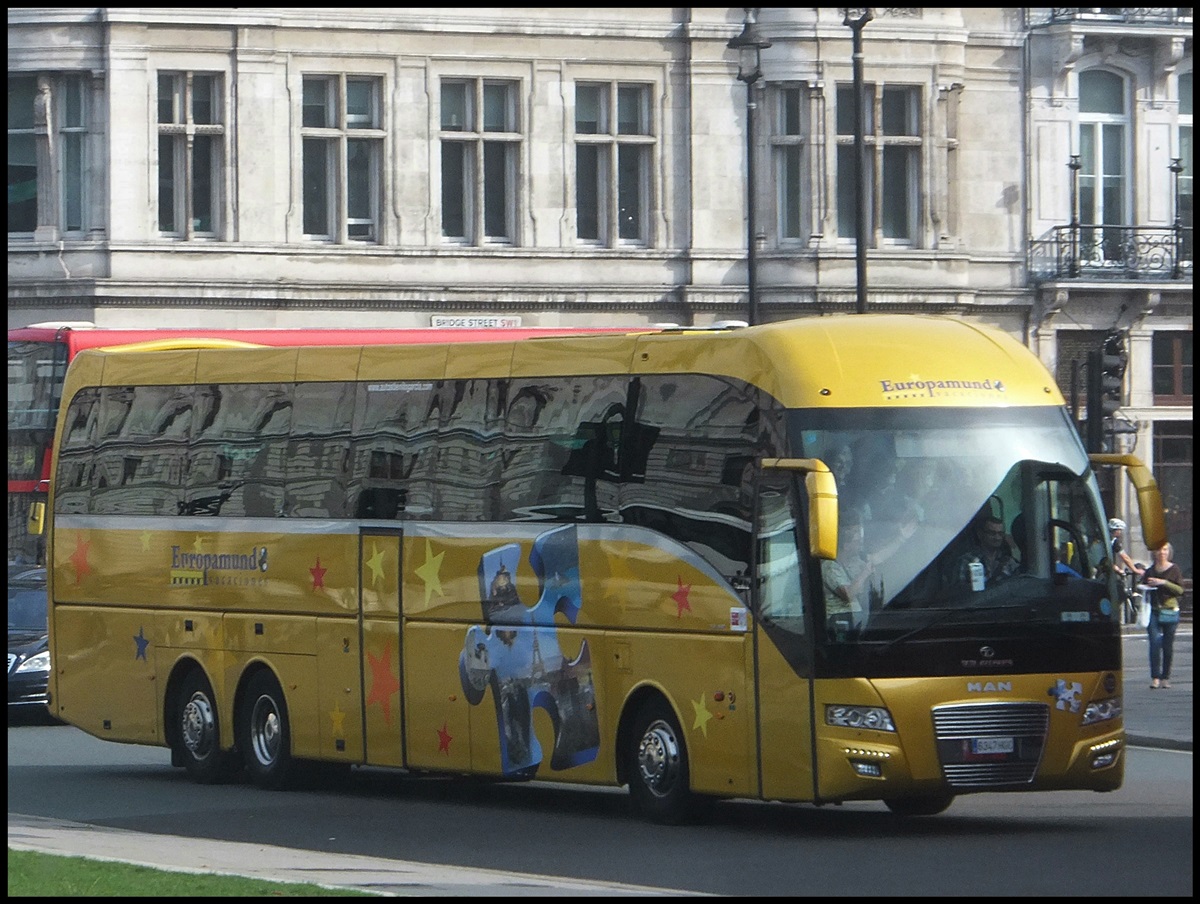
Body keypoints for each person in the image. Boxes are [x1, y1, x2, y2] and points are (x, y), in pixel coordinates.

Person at [823, 515, 876, 634]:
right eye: (857, 542)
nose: (860, 546)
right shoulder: (830, 567)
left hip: (857, 618)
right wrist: (865, 572)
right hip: (838, 622)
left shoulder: (855, 561)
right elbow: (848, 594)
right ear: (846, 546)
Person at [1142, 542, 1184, 689]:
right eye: (1159, 550)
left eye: (1165, 549)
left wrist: (1163, 582)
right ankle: (1155, 677)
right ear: (1154, 552)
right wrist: (1146, 587)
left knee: (1167, 645)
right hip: (1153, 610)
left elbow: (1179, 590)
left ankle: (1165, 677)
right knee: (1154, 644)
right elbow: (1142, 586)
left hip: (1170, 610)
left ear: (1169, 552)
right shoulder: (1150, 570)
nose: (1162, 552)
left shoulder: (1174, 569)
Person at [955, 512, 1020, 591]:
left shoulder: (1009, 562)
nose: (997, 538)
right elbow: (959, 592)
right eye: (992, 533)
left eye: (1000, 533)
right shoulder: (967, 561)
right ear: (980, 534)